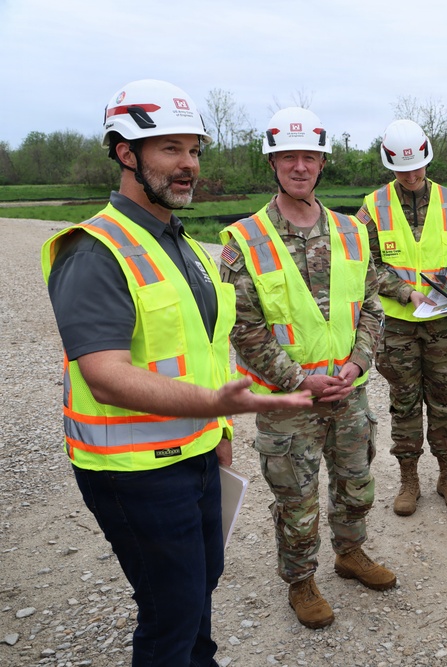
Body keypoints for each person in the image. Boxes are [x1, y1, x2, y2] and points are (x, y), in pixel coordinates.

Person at [40, 79, 313, 667]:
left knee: (199, 586)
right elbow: (106, 375)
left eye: (193, 150)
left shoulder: (177, 240)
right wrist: (219, 407)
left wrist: (217, 435)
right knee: (171, 612)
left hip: (192, 452)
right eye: (169, 149)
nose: (187, 165)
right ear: (125, 153)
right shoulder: (94, 252)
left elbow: (201, 348)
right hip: (133, 472)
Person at [218, 107, 395, 630]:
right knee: (296, 500)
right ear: (273, 162)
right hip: (289, 401)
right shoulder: (243, 241)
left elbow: (371, 308)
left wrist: (359, 362)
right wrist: (300, 380)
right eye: (289, 157)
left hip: (348, 392)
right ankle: (301, 580)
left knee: (356, 483)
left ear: (322, 163)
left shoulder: (351, 231)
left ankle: (351, 553)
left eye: (310, 157)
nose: (300, 166)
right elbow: (243, 329)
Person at [356, 119, 447, 516]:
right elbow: (366, 265)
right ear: (389, 166)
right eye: (402, 169)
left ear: (427, 158)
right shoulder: (372, 207)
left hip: (444, 322)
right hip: (397, 324)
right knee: (405, 402)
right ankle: (409, 480)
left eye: (417, 167)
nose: (411, 176)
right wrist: (404, 292)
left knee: (444, 399)